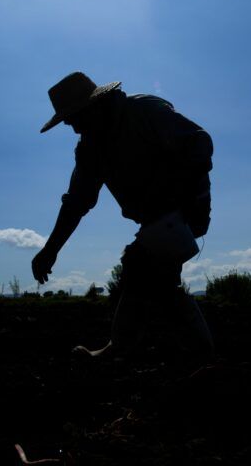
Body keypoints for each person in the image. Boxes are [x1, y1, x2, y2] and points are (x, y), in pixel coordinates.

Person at [31, 72, 214, 360]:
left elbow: (200, 143)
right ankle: (190, 351)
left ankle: (129, 349)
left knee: (139, 265)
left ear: (94, 106)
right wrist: (50, 249)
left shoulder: (145, 112)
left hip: (187, 205)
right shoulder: (91, 148)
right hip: (154, 219)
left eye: (74, 117)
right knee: (153, 279)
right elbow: (77, 202)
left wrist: (171, 191)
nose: (72, 126)